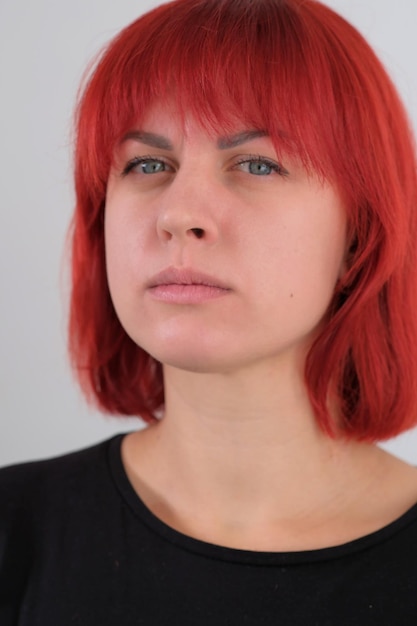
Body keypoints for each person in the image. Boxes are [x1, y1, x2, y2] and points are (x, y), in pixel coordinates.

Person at [2, 0, 417, 623]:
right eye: (147, 164)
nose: (178, 214)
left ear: (360, 230)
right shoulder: (16, 530)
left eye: (257, 163)